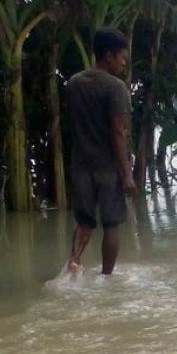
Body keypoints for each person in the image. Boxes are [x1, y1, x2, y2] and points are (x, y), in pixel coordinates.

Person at [66, 28, 136, 275]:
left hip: (80, 165)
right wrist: (127, 174)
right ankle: (107, 278)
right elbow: (119, 133)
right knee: (111, 223)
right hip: (107, 167)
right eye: (122, 57)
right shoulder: (116, 88)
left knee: (84, 221)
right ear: (108, 56)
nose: (124, 62)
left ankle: (74, 262)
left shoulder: (74, 83)